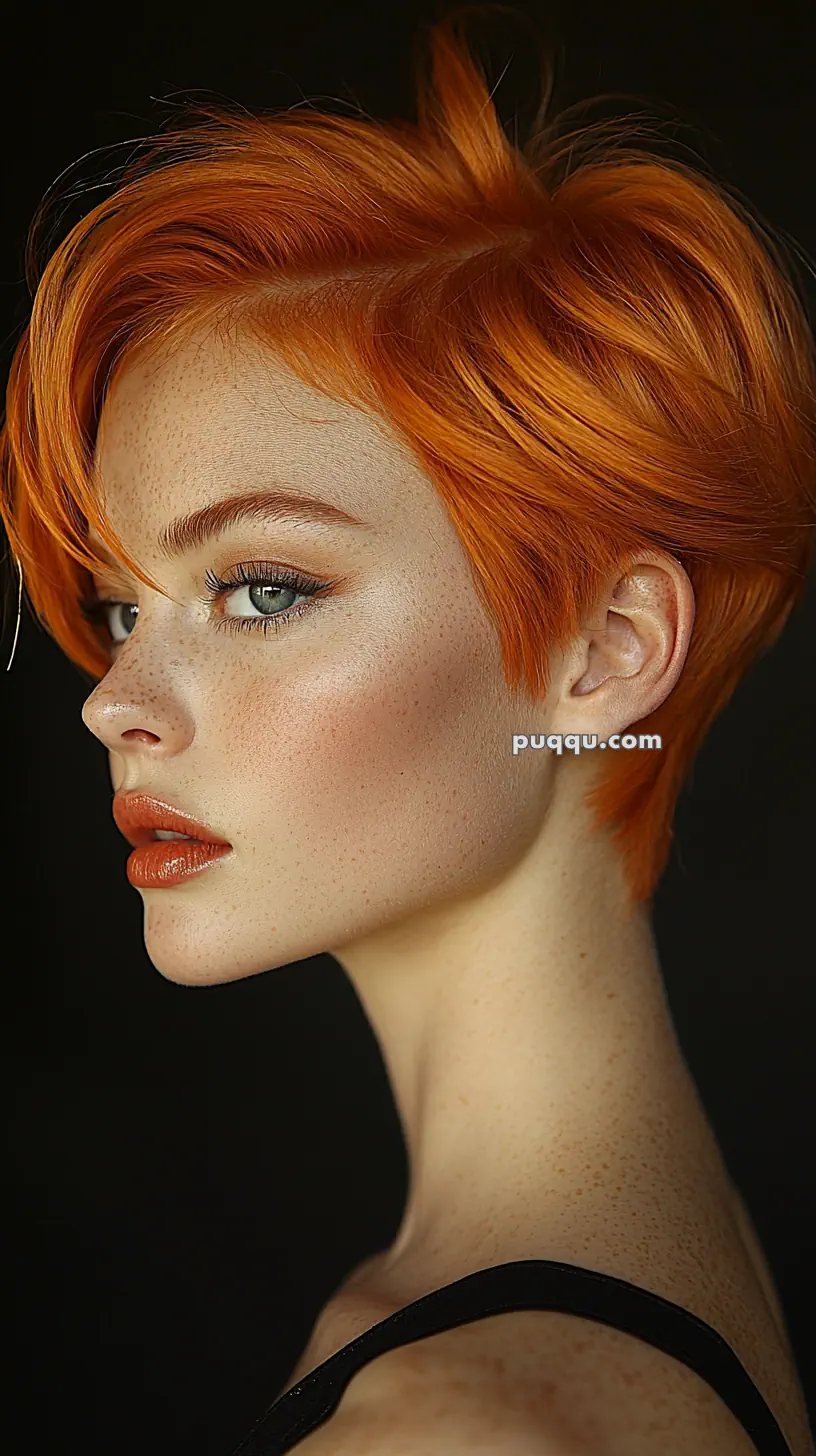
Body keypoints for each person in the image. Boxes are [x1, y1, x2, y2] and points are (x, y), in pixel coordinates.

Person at [2, 5, 814, 1452]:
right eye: (124, 605)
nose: (112, 702)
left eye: (260, 588)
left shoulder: (466, 1424)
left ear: (606, 651)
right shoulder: (661, 1257)